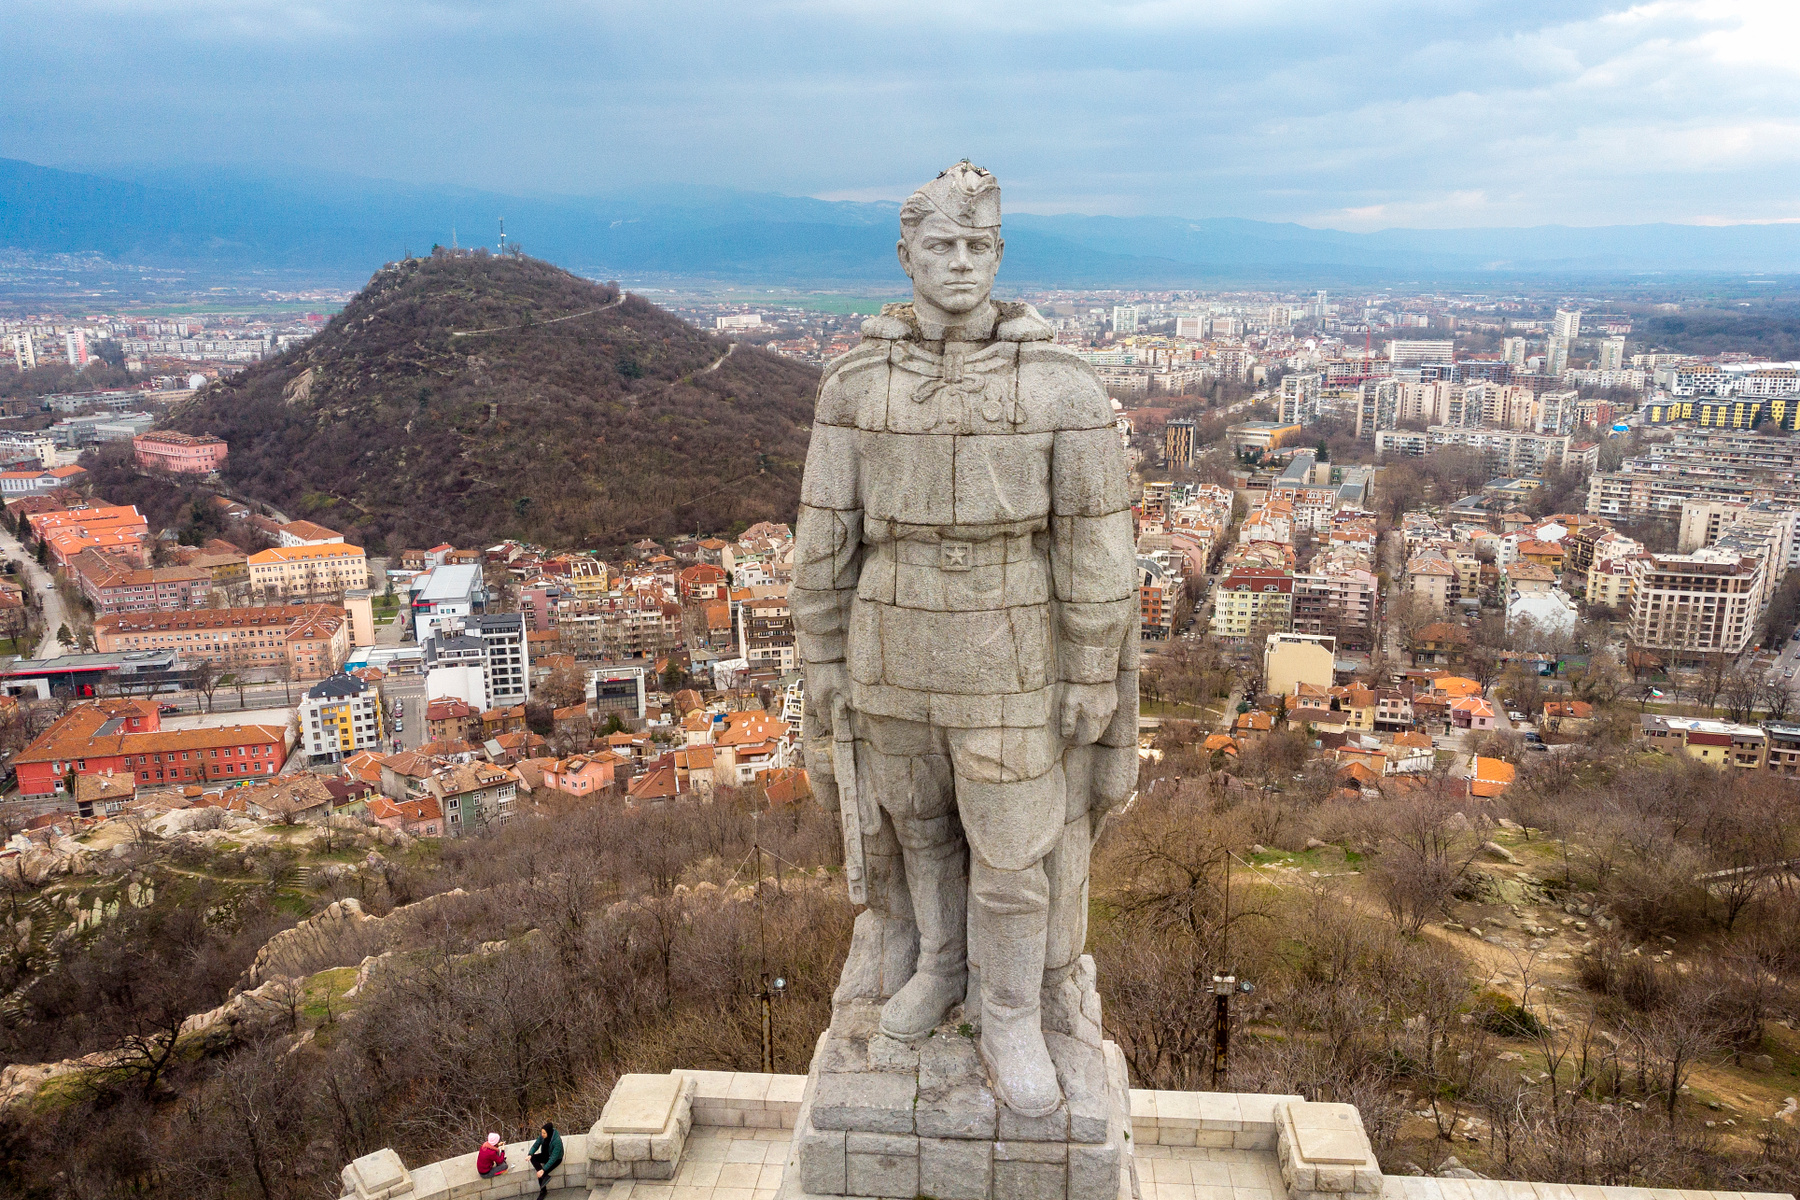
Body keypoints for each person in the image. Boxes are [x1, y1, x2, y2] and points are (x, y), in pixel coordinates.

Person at [792, 161, 1137, 1118]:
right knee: (918, 829)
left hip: (1011, 637)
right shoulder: (855, 384)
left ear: (1000, 252)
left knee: (1014, 848)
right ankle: (940, 965)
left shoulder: (1062, 386)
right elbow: (825, 534)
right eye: (941, 245)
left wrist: (1092, 666)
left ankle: (1015, 1012)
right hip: (890, 642)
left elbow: (1095, 537)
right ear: (905, 255)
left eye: (978, 245)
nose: (961, 262)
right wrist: (822, 657)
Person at [529, 1122, 564, 1199]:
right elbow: (536, 1145)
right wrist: (530, 1154)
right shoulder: (542, 1135)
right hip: (546, 1154)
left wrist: (543, 1170)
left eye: (544, 1133)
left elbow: (553, 1158)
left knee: (540, 1172)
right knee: (533, 1159)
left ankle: (543, 1191)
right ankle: (545, 1176)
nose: (542, 1134)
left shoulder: (556, 1141)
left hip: (556, 1159)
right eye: (542, 1132)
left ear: (548, 1132)